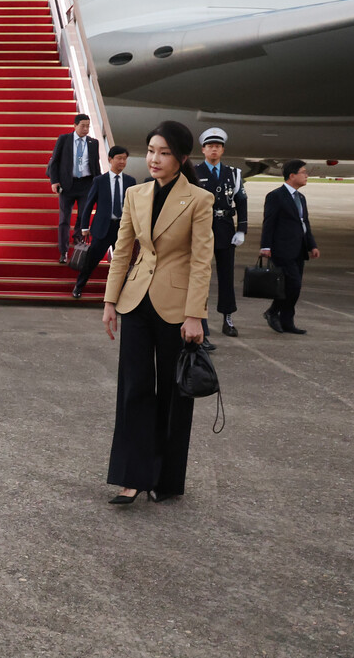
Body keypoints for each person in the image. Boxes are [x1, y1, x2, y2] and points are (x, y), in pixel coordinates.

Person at [101, 120, 213, 506]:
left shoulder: (199, 199)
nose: (154, 158)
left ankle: (165, 479)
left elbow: (201, 262)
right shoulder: (135, 194)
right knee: (133, 390)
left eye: (164, 152)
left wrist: (195, 315)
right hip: (135, 302)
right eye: (150, 150)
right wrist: (110, 302)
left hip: (177, 309)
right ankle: (131, 478)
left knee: (172, 394)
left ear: (181, 158)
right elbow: (122, 251)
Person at [194, 127, 248, 344]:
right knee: (200, 278)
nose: (213, 150)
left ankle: (228, 318)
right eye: (210, 146)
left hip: (225, 228)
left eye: (217, 146)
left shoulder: (233, 173)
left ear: (222, 150)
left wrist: (242, 229)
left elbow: (241, 201)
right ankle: (201, 323)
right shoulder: (194, 172)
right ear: (203, 150)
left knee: (226, 277)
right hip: (201, 230)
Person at [260, 160, 319, 335]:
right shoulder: (276, 196)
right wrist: (265, 246)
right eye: (303, 172)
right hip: (282, 249)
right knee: (292, 284)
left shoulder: (301, 198)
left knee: (294, 287)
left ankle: (287, 321)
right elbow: (269, 223)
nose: (306, 175)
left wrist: (312, 245)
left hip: (299, 249)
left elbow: (304, 223)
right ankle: (272, 312)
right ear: (292, 175)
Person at [72, 145, 135, 299]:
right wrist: (84, 227)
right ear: (110, 159)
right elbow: (89, 205)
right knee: (91, 261)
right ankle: (78, 287)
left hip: (122, 228)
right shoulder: (100, 180)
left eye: (124, 159)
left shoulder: (130, 181)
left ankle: (122, 293)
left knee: (122, 263)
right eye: (119, 158)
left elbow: (135, 206)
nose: (122, 162)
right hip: (102, 228)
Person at [47, 113, 101, 263]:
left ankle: (77, 238)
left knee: (83, 216)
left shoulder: (93, 143)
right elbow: (55, 161)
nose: (86, 129)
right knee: (64, 219)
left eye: (88, 126)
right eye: (83, 125)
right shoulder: (64, 139)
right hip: (67, 184)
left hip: (86, 184)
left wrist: (100, 184)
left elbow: (95, 165)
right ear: (75, 125)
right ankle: (63, 251)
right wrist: (54, 181)